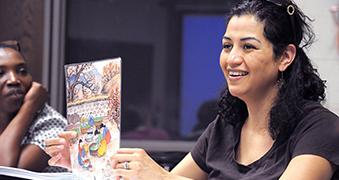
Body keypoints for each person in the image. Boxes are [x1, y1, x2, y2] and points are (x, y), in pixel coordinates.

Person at [45, 0, 339, 179]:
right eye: (227, 46)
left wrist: (161, 178)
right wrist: (90, 163)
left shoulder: (319, 127)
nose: (232, 58)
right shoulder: (225, 127)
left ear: (285, 57)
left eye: (248, 46)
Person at [0, 40, 68, 172]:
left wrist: (30, 106)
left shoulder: (52, 124)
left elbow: (5, 173)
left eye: (22, 71)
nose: (14, 80)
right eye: (0, 73)